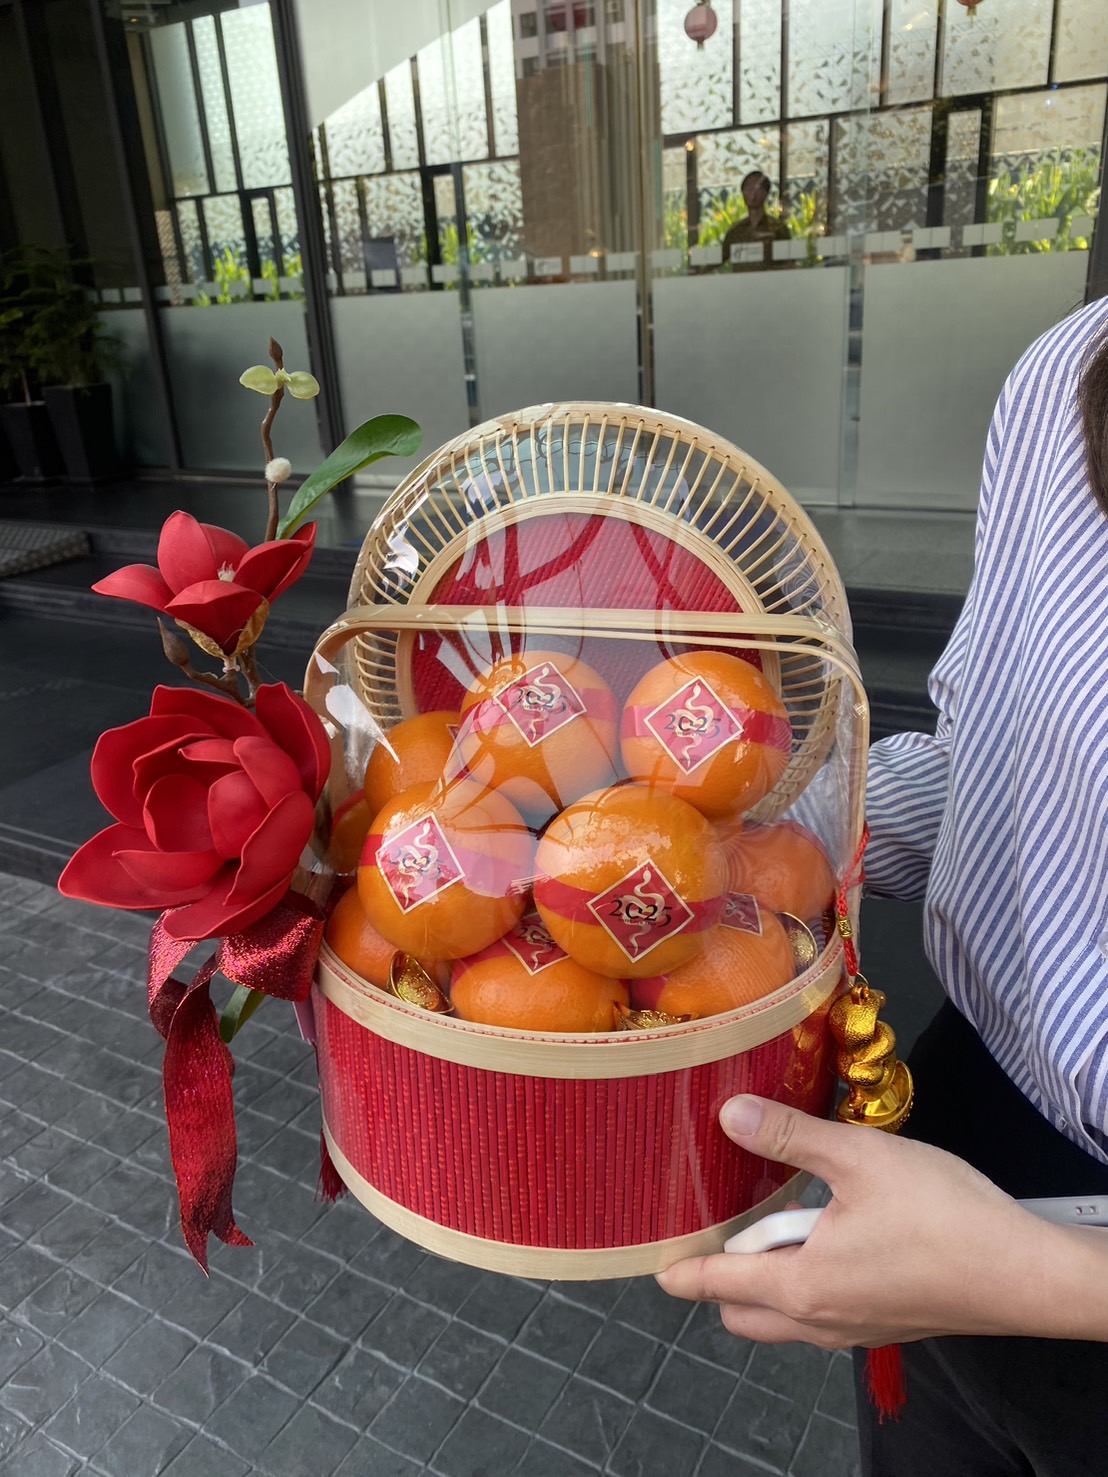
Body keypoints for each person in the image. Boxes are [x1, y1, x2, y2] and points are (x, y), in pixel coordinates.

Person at [657, 292, 1108, 1477]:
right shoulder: (1073, 371)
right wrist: (731, 845)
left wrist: (1042, 1276)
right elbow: (999, 760)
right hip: (952, 1140)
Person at [719, 170, 792, 269]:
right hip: (740, 283)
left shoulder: (777, 228)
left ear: (766, 193)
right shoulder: (735, 231)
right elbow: (720, 259)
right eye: (748, 188)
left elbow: (788, 262)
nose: (752, 193)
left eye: (757, 188)